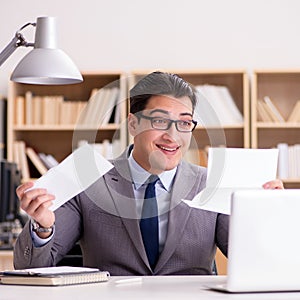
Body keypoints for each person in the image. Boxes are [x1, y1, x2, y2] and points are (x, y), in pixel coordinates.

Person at [14, 71, 283, 275]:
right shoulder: (90, 182)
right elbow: (29, 268)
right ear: (133, 123)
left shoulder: (211, 183)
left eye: (184, 122)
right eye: (159, 121)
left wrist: (268, 218)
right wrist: (42, 227)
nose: (173, 135)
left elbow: (258, 265)